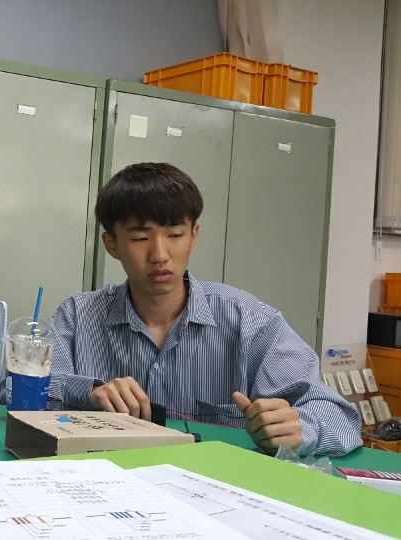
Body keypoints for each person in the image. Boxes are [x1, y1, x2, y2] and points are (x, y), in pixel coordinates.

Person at [47, 162, 361, 457]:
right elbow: (26, 394)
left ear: (193, 236)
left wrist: (300, 429)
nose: (160, 255)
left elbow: (338, 416)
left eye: (175, 235)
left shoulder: (250, 322)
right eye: (141, 237)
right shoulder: (76, 317)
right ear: (112, 244)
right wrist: (89, 392)